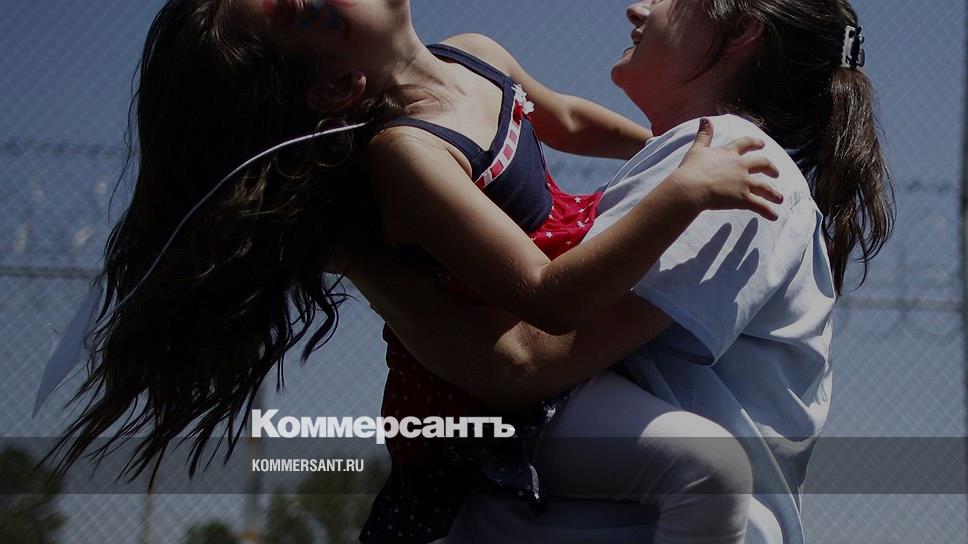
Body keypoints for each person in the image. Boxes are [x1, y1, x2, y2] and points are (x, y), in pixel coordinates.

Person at [46, 1, 781, 543]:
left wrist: (668, 143)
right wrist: (685, 190)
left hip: (559, 345)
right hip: (488, 408)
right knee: (709, 471)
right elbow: (548, 299)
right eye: (302, 8)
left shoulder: (473, 53)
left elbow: (565, 118)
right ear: (336, 87)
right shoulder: (408, 157)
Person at [348, 0, 894, 542]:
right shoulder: (704, 166)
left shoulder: (731, 166)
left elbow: (525, 362)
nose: (637, 8)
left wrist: (355, 256)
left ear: (741, 32)